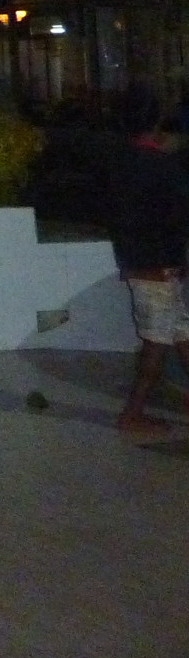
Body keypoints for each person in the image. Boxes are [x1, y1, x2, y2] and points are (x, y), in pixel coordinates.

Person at [105, 92, 189, 434]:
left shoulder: (120, 162)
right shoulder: (162, 166)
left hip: (137, 259)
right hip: (159, 265)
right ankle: (133, 412)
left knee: (180, 332)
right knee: (157, 341)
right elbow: (178, 215)